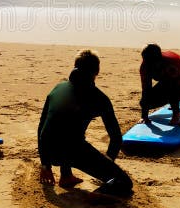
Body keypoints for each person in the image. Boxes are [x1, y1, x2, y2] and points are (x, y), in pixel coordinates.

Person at [37, 50, 133, 198]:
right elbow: (116, 137)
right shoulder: (99, 98)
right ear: (97, 71)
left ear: (75, 67)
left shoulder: (57, 88)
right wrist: (109, 160)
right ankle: (98, 194)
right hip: (73, 152)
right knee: (123, 182)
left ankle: (66, 176)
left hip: (49, 152)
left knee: (67, 127)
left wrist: (45, 165)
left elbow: (42, 127)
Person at [138, 44, 180, 128]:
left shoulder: (172, 65)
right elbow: (146, 90)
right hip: (168, 81)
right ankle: (175, 107)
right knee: (147, 102)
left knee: (173, 91)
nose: (148, 65)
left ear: (159, 59)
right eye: (146, 61)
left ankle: (177, 112)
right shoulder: (145, 66)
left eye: (151, 63)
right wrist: (144, 116)